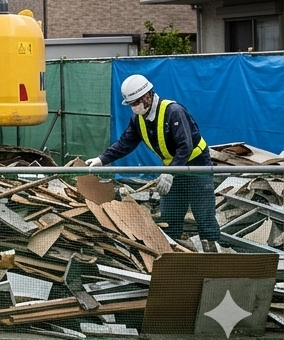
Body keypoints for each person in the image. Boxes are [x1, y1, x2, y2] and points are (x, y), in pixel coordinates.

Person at [86, 74, 220, 251]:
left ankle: (214, 254)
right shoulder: (138, 119)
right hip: (173, 169)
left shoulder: (174, 112)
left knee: (204, 216)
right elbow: (125, 144)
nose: (133, 107)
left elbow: (185, 146)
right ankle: (172, 254)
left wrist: (170, 173)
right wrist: (101, 159)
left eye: (136, 102)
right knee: (170, 218)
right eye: (131, 104)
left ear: (148, 96)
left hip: (197, 168)